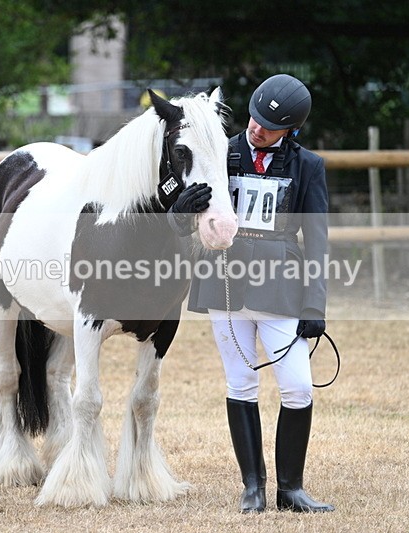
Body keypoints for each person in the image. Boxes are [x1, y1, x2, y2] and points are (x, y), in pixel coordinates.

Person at [168, 74, 333, 514]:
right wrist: (177, 210)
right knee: (240, 383)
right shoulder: (221, 151)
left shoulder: (308, 166)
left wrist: (315, 302)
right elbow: (176, 205)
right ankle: (252, 487)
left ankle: (291, 488)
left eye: (270, 126)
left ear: (291, 130)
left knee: (297, 386)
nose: (257, 129)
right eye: (255, 119)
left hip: (281, 285)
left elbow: (317, 240)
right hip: (224, 278)